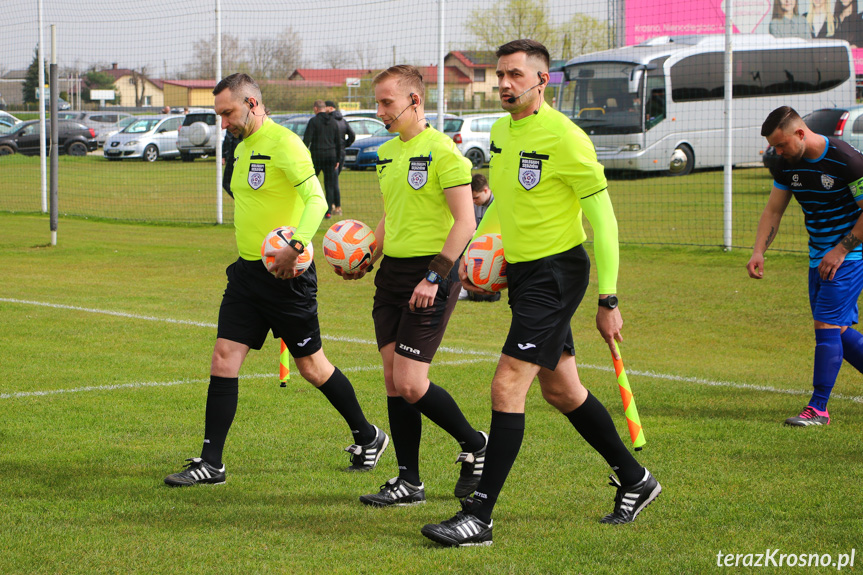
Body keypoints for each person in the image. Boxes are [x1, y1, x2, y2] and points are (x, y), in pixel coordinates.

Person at [421, 39, 661, 548]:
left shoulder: (567, 138)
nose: (504, 84)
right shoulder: (504, 132)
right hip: (526, 273)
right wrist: (487, 251)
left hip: (557, 274)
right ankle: (637, 480)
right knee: (562, 390)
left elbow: (605, 222)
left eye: (514, 75)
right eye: (499, 75)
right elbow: (506, 203)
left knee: (508, 384)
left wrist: (609, 297)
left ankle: (479, 517)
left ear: (541, 81)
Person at [164, 73, 388, 487]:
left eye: (227, 112)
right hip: (247, 274)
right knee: (223, 359)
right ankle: (212, 462)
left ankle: (368, 435)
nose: (223, 122)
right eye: (218, 115)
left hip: (288, 277)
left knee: (312, 367)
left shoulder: (285, 144)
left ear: (251, 103)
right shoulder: (240, 146)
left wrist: (297, 245)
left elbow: (317, 199)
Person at [337, 65, 488, 508]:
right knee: (392, 379)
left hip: (431, 273)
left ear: (414, 102)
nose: (380, 111)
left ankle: (476, 444)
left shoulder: (444, 152)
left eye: (387, 102)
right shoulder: (386, 153)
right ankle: (409, 481)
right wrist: (368, 256)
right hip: (392, 277)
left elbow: (466, 222)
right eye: (378, 102)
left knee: (410, 382)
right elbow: (392, 215)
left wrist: (436, 275)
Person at [747, 106, 863, 427]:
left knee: (825, 326)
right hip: (819, 258)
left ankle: (819, 409)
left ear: (801, 133)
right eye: (775, 147)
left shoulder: (846, 160)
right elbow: (773, 211)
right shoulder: (788, 165)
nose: (778, 152)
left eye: (782, 145)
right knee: (838, 330)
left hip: (851, 255)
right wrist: (758, 251)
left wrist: (840, 250)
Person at [465, 173, 500, 303]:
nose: (474, 201)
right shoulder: (475, 204)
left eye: (476, 198)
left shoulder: (498, 204)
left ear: (486, 190)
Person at [303, 99, 340, 219]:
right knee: (329, 185)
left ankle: (308, 207)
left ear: (315, 109)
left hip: (317, 156)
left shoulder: (313, 121)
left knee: (311, 182)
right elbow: (339, 142)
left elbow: (306, 140)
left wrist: (303, 155)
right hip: (331, 157)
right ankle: (328, 211)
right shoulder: (334, 122)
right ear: (325, 108)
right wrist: (338, 159)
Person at [326, 100, 355, 216]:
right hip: (342, 153)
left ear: (330, 108)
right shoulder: (343, 120)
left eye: (326, 107)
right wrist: (345, 145)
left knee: (332, 181)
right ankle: (334, 205)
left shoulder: (330, 122)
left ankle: (336, 206)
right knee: (334, 179)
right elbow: (352, 135)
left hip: (333, 153)